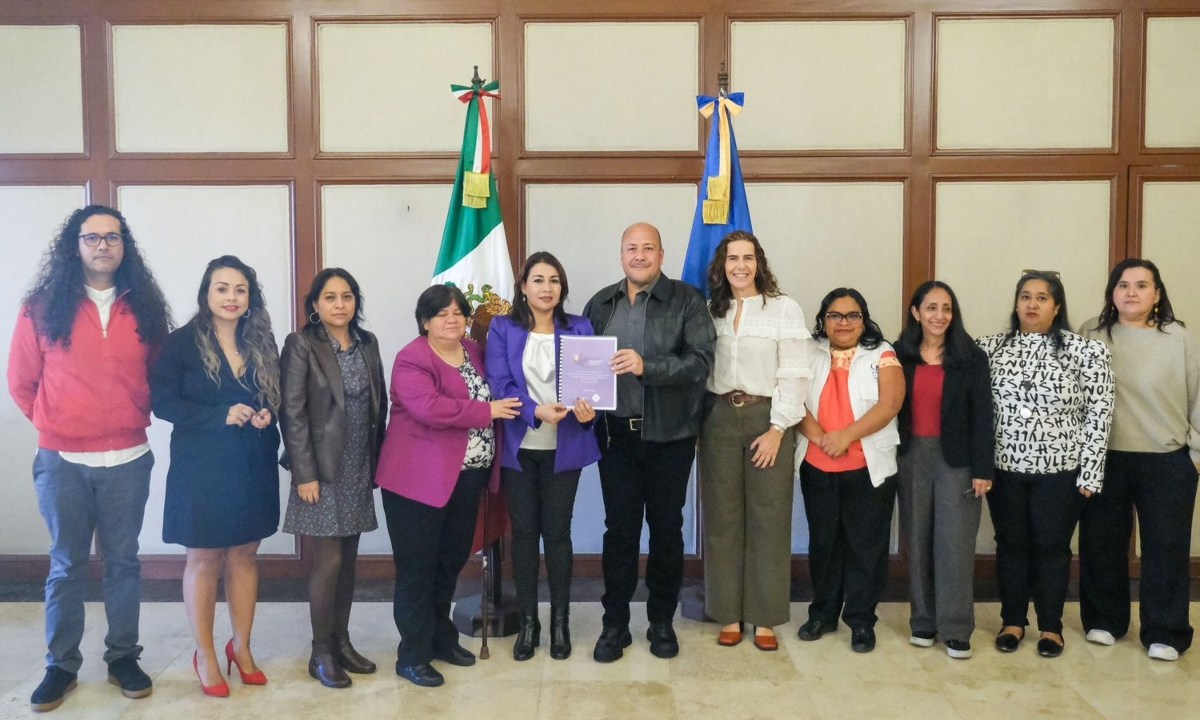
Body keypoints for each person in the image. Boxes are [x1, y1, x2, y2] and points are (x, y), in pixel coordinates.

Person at [8, 205, 171, 713]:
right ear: (74, 245)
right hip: (63, 460)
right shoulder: (41, 306)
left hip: (128, 456)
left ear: (125, 247)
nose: (103, 245)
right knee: (66, 565)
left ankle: (123, 656)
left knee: (123, 563)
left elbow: (160, 376)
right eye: (92, 237)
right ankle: (61, 666)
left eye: (113, 238)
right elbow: (21, 381)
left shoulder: (143, 306)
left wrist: (126, 413)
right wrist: (60, 422)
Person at [582, 221, 715, 662]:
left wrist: (647, 366)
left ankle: (661, 621)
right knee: (618, 533)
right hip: (615, 438)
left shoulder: (687, 301)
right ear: (621, 255)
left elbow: (700, 363)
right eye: (630, 248)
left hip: (670, 437)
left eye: (647, 248)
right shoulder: (601, 303)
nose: (639, 256)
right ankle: (614, 623)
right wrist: (580, 402)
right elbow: (583, 364)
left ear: (662, 254)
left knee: (666, 531)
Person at [376, 284, 520, 687]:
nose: (453, 318)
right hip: (415, 481)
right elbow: (430, 408)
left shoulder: (474, 351)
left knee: (449, 563)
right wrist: (487, 410)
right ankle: (412, 654)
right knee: (417, 570)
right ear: (425, 320)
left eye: (459, 311)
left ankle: (441, 639)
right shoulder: (412, 358)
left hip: (467, 477)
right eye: (442, 313)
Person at [151, 255, 281, 697]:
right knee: (205, 559)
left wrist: (267, 413)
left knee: (245, 555)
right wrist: (219, 414)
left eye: (240, 289)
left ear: (250, 297)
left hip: (252, 464)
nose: (231, 297)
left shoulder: (263, 340)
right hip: (201, 467)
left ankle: (240, 647)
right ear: (207, 294)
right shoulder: (181, 343)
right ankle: (205, 654)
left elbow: (276, 396)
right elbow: (163, 403)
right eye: (222, 288)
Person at [977, 270, 1113, 658]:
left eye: (1041, 298)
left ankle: (1051, 627)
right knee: (1011, 545)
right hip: (1004, 470)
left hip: (1062, 471)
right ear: (1016, 303)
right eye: (1025, 296)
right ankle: (1013, 621)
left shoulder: (1086, 351)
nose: (1031, 304)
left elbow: (1099, 414)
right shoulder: (988, 349)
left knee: (1052, 547)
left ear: (1056, 307)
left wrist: (1091, 472)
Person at [1078, 259, 1200, 662]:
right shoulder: (1091, 334)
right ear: (1112, 292)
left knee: (1167, 549)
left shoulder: (1180, 338)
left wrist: (1195, 456)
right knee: (1102, 544)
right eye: (1124, 284)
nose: (1132, 292)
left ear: (1157, 294)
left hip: (1167, 460)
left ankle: (1165, 631)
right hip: (1105, 460)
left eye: (1142, 285)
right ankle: (1105, 621)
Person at [699, 231, 811, 651]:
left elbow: (795, 371)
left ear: (759, 262)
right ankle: (728, 612)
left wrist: (779, 427)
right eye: (732, 258)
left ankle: (764, 617)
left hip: (769, 416)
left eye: (748, 258)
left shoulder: (783, 309)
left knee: (768, 516)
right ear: (721, 265)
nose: (740, 266)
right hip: (718, 417)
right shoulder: (711, 310)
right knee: (722, 518)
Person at [485, 252, 600, 661]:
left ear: (562, 288)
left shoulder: (581, 327)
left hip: (564, 446)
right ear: (523, 287)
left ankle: (560, 624)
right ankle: (529, 624)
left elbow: (593, 386)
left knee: (557, 533)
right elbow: (498, 383)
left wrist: (589, 410)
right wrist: (535, 410)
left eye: (554, 280)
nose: (546, 288)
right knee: (524, 532)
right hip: (520, 446)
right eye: (538, 280)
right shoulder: (502, 329)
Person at [279, 268, 387, 687]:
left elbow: (381, 403)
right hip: (320, 470)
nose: (340, 304)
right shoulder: (302, 344)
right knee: (330, 560)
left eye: (347, 296)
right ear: (315, 305)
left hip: (359, 464)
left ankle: (342, 642)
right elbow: (293, 413)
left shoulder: (368, 343)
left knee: (349, 562)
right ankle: (320, 651)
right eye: (330, 297)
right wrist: (304, 473)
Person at [795, 288, 904, 653]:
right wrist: (823, 438)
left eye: (852, 315)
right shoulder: (808, 352)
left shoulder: (882, 352)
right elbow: (793, 399)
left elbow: (890, 404)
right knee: (824, 543)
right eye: (835, 315)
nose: (843, 323)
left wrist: (845, 436)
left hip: (867, 465)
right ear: (823, 319)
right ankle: (823, 614)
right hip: (818, 463)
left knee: (865, 545)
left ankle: (860, 620)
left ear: (864, 318)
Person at [894, 281, 994, 660]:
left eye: (946, 308)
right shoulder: (898, 355)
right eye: (931, 308)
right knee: (917, 541)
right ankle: (922, 622)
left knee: (954, 545)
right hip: (910, 457)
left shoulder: (971, 358)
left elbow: (984, 418)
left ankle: (955, 628)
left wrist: (984, 468)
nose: (939, 316)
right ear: (916, 313)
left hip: (959, 461)